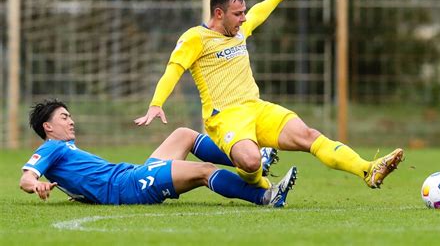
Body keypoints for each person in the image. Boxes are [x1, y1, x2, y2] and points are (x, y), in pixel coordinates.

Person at [135, 0, 403, 190]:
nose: (243, 19)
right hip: (225, 117)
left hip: (256, 108)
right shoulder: (195, 38)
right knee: (251, 161)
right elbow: (174, 70)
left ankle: (367, 170)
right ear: (219, 13)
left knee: (308, 135)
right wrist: (156, 104)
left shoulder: (238, 29)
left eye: (243, 13)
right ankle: (262, 187)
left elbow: (258, 14)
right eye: (238, 14)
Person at [20, 99, 297, 207]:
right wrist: (37, 185)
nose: (71, 121)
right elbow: (26, 178)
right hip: (129, 186)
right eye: (64, 117)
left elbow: (82, 184)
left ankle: (256, 159)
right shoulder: (51, 147)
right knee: (204, 171)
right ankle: (266, 196)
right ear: (48, 126)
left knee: (184, 135)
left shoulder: (64, 149)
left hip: (132, 175)